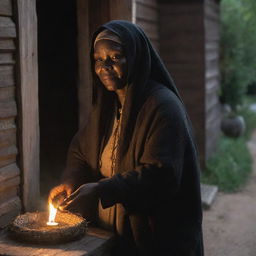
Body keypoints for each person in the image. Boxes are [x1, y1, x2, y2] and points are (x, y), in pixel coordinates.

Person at [48, 20, 204, 256]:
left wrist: (101, 190)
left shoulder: (162, 107)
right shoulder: (107, 106)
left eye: (115, 57)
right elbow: (81, 151)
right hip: (112, 234)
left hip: (154, 239)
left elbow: (161, 174)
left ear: (135, 57)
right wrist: (71, 181)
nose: (105, 67)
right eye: (98, 60)